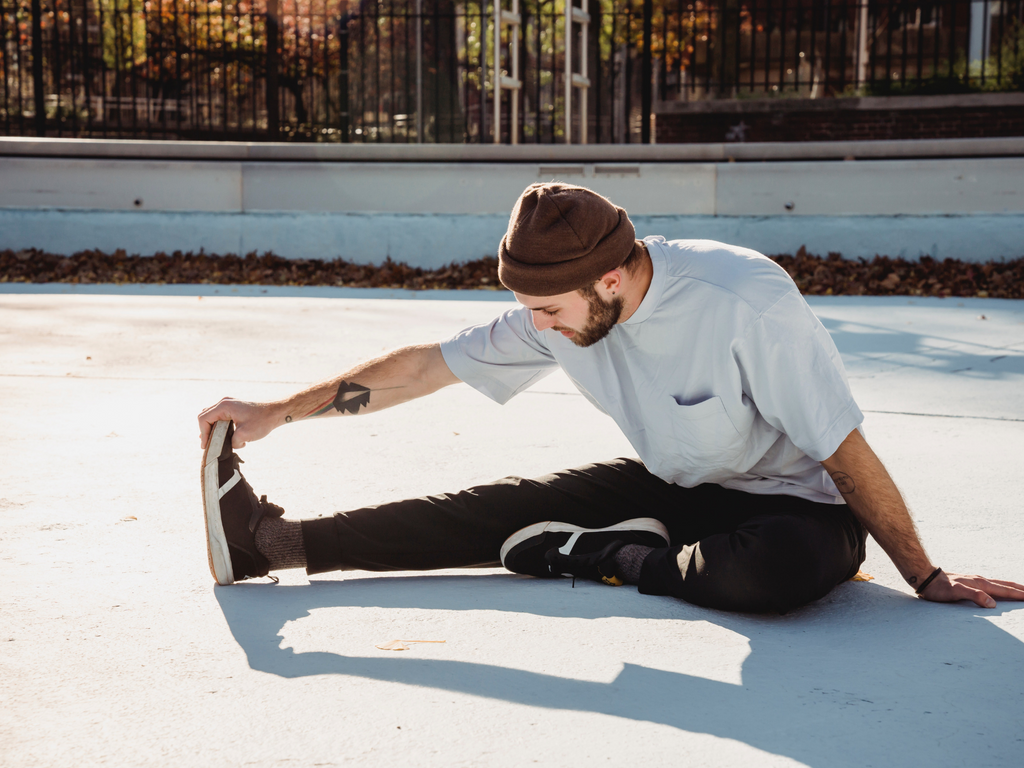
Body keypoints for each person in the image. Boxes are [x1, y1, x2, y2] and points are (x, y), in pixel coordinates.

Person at [198, 182, 1024, 614]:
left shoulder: (744, 300)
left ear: (613, 276)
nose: (541, 332)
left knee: (770, 574)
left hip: (798, 511)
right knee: (490, 509)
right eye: (530, 315)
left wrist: (927, 577)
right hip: (677, 489)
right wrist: (279, 410)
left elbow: (844, 450)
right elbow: (421, 369)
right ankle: (271, 545)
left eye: (550, 314)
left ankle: (604, 555)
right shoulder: (561, 311)